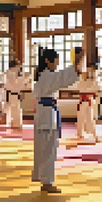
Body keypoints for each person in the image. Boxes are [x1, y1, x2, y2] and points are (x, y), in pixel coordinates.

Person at [33, 47, 84, 193]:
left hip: (45, 113)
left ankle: (44, 179)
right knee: (48, 149)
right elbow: (61, 78)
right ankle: (47, 182)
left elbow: (61, 78)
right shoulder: (47, 76)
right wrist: (76, 65)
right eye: (56, 61)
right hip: (47, 114)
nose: (57, 64)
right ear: (48, 61)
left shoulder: (43, 75)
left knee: (44, 149)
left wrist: (75, 66)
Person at [1, 60, 29, 130]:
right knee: (15, 109)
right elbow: (16, 84)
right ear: (15, 66)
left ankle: (12, 122)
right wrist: (25, 78)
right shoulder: (11, 73)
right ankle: (15, 124)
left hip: (11, 93)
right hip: (12, 93)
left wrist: (24, 78)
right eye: (18, 66)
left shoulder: (10, 72)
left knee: (12, 108)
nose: (19, 67)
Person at [76, 65, 100, 141]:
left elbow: (96, 89)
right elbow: (82, 89)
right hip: (84, 101)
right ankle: (80, 133)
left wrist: (94, 81)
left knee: (89, 118)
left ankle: (94, 133)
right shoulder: (82, 82)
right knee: (81, 118)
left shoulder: (91, 81)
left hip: (88, 100)